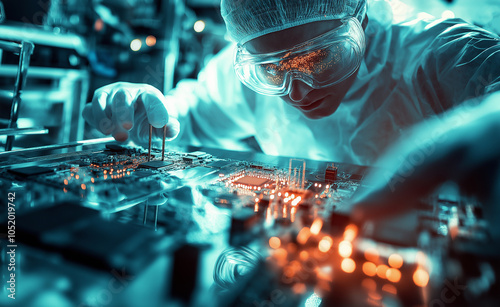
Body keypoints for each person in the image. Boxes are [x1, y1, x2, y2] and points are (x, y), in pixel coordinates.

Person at [83, 0, 500, 228]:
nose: (296, 91)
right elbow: (189, 116)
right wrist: (150, 108)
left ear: (362, 17)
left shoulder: (439, 56)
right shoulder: (258, 56)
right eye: (271, 70)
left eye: (318, 57)